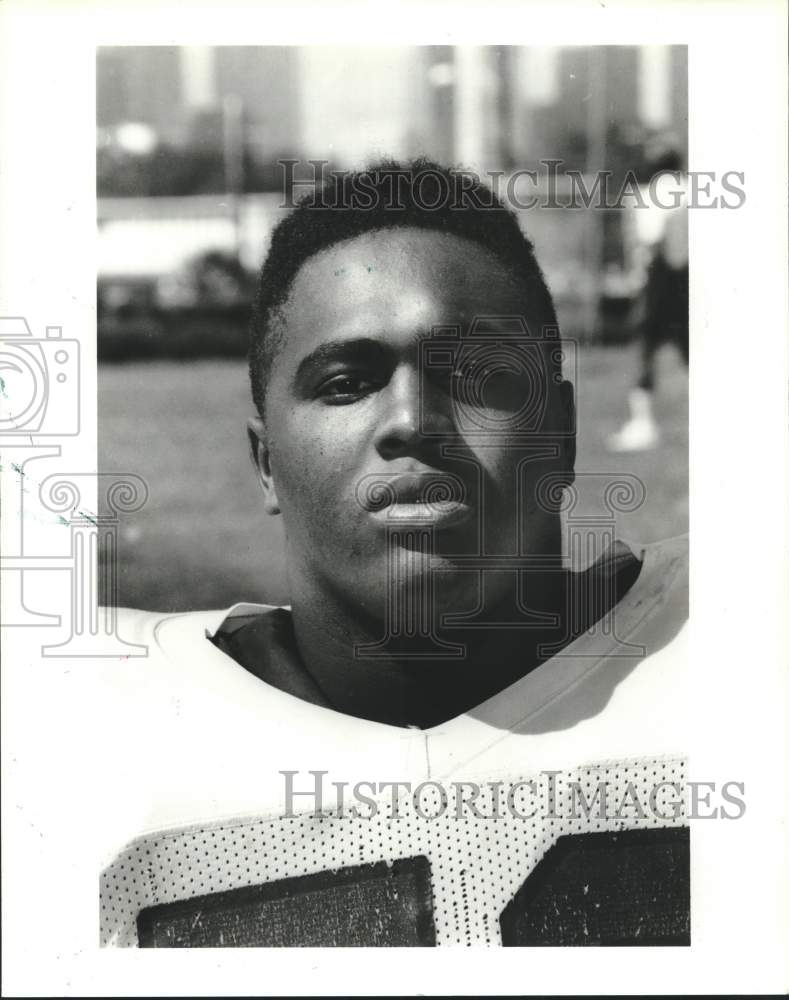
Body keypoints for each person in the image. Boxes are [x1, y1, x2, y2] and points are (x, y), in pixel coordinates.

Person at [99, 160, 689, 948]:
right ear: (266, 460)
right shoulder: (84, 728)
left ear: (561, 434)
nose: (413, 419)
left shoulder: (732, 640)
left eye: (476, 374)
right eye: (346, 382)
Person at [608, 141, 689, 452]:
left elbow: (650, 241)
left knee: (643, 352)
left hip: (658, 282)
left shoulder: (646, 195)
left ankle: (643, 424)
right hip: (688, 283)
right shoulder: (692, 188)